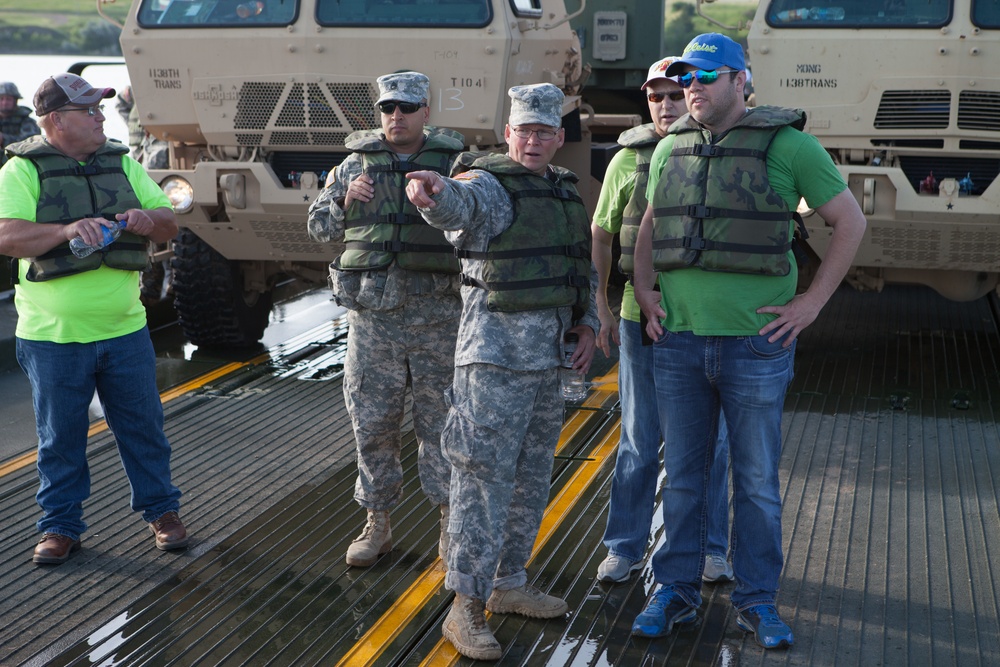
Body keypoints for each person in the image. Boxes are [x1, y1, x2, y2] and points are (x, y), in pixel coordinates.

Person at [630, 34, 866, 648]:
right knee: (681, 477)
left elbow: (849, 222)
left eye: (707, 77)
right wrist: (645, 290)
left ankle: (758, 600)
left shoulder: (792, 146)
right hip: (680, 342)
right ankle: (675, 591)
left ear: (741, 81)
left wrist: (811, 304)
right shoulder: (668, 149)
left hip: (756, 345)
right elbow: (653, 223)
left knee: (756, 481)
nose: (693, 88)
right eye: (686, 78)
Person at [405, 82, 600, 662]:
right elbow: (456, 208)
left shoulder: (565, 191)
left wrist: (587, 324)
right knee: (480, 481)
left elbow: (579, 269)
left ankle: (509, 581)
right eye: (525, 130)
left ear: (559, 138)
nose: (535, 140)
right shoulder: (487, 185)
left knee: (533, 477)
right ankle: (464, 608)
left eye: (545, 131)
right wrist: (432, 193)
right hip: (492, 363)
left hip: (549, 364)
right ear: (508, 133)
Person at [0, 73, 188, 564]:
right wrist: (66, 229)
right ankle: (60, 526)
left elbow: (170, 218)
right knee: (59, 439)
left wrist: (149, 220)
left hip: (125, 330)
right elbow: (7, 237)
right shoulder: (22, 172)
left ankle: (162, 513)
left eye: (101, 109)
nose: (101, 118)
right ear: (56, 120)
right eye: (90, 111)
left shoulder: (123, 163)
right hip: (52, 339)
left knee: (144, 428)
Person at [306, 71, 463, 568]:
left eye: (408, 108)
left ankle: (447, 522)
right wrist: (344, 197)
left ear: (426, 113)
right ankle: (377, 522)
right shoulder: (354, 165)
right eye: (389, 108)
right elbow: (318, 229)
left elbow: (477, 226)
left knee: (441, 423)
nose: (397, 117)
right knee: (372, 422)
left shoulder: (456, 165)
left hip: (438, 313)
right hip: (374, 318)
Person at [592, 56, 734, 586]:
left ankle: (710, 548)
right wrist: (601, 306)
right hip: (636, 320)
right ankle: (625, 547)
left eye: (676, 94)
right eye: (656, 97)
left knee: (708, 445)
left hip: (698, 321)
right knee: (638, 437)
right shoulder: (627, 161)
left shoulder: (718, 152)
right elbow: (602, 236)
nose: (667, 105)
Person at [0, 81, 41, 165]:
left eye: (8, 99)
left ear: (15, 101)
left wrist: (3, 139)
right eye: (1, 99)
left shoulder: (27, 121)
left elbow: (30, 143)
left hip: (18, 165)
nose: (4, 102)